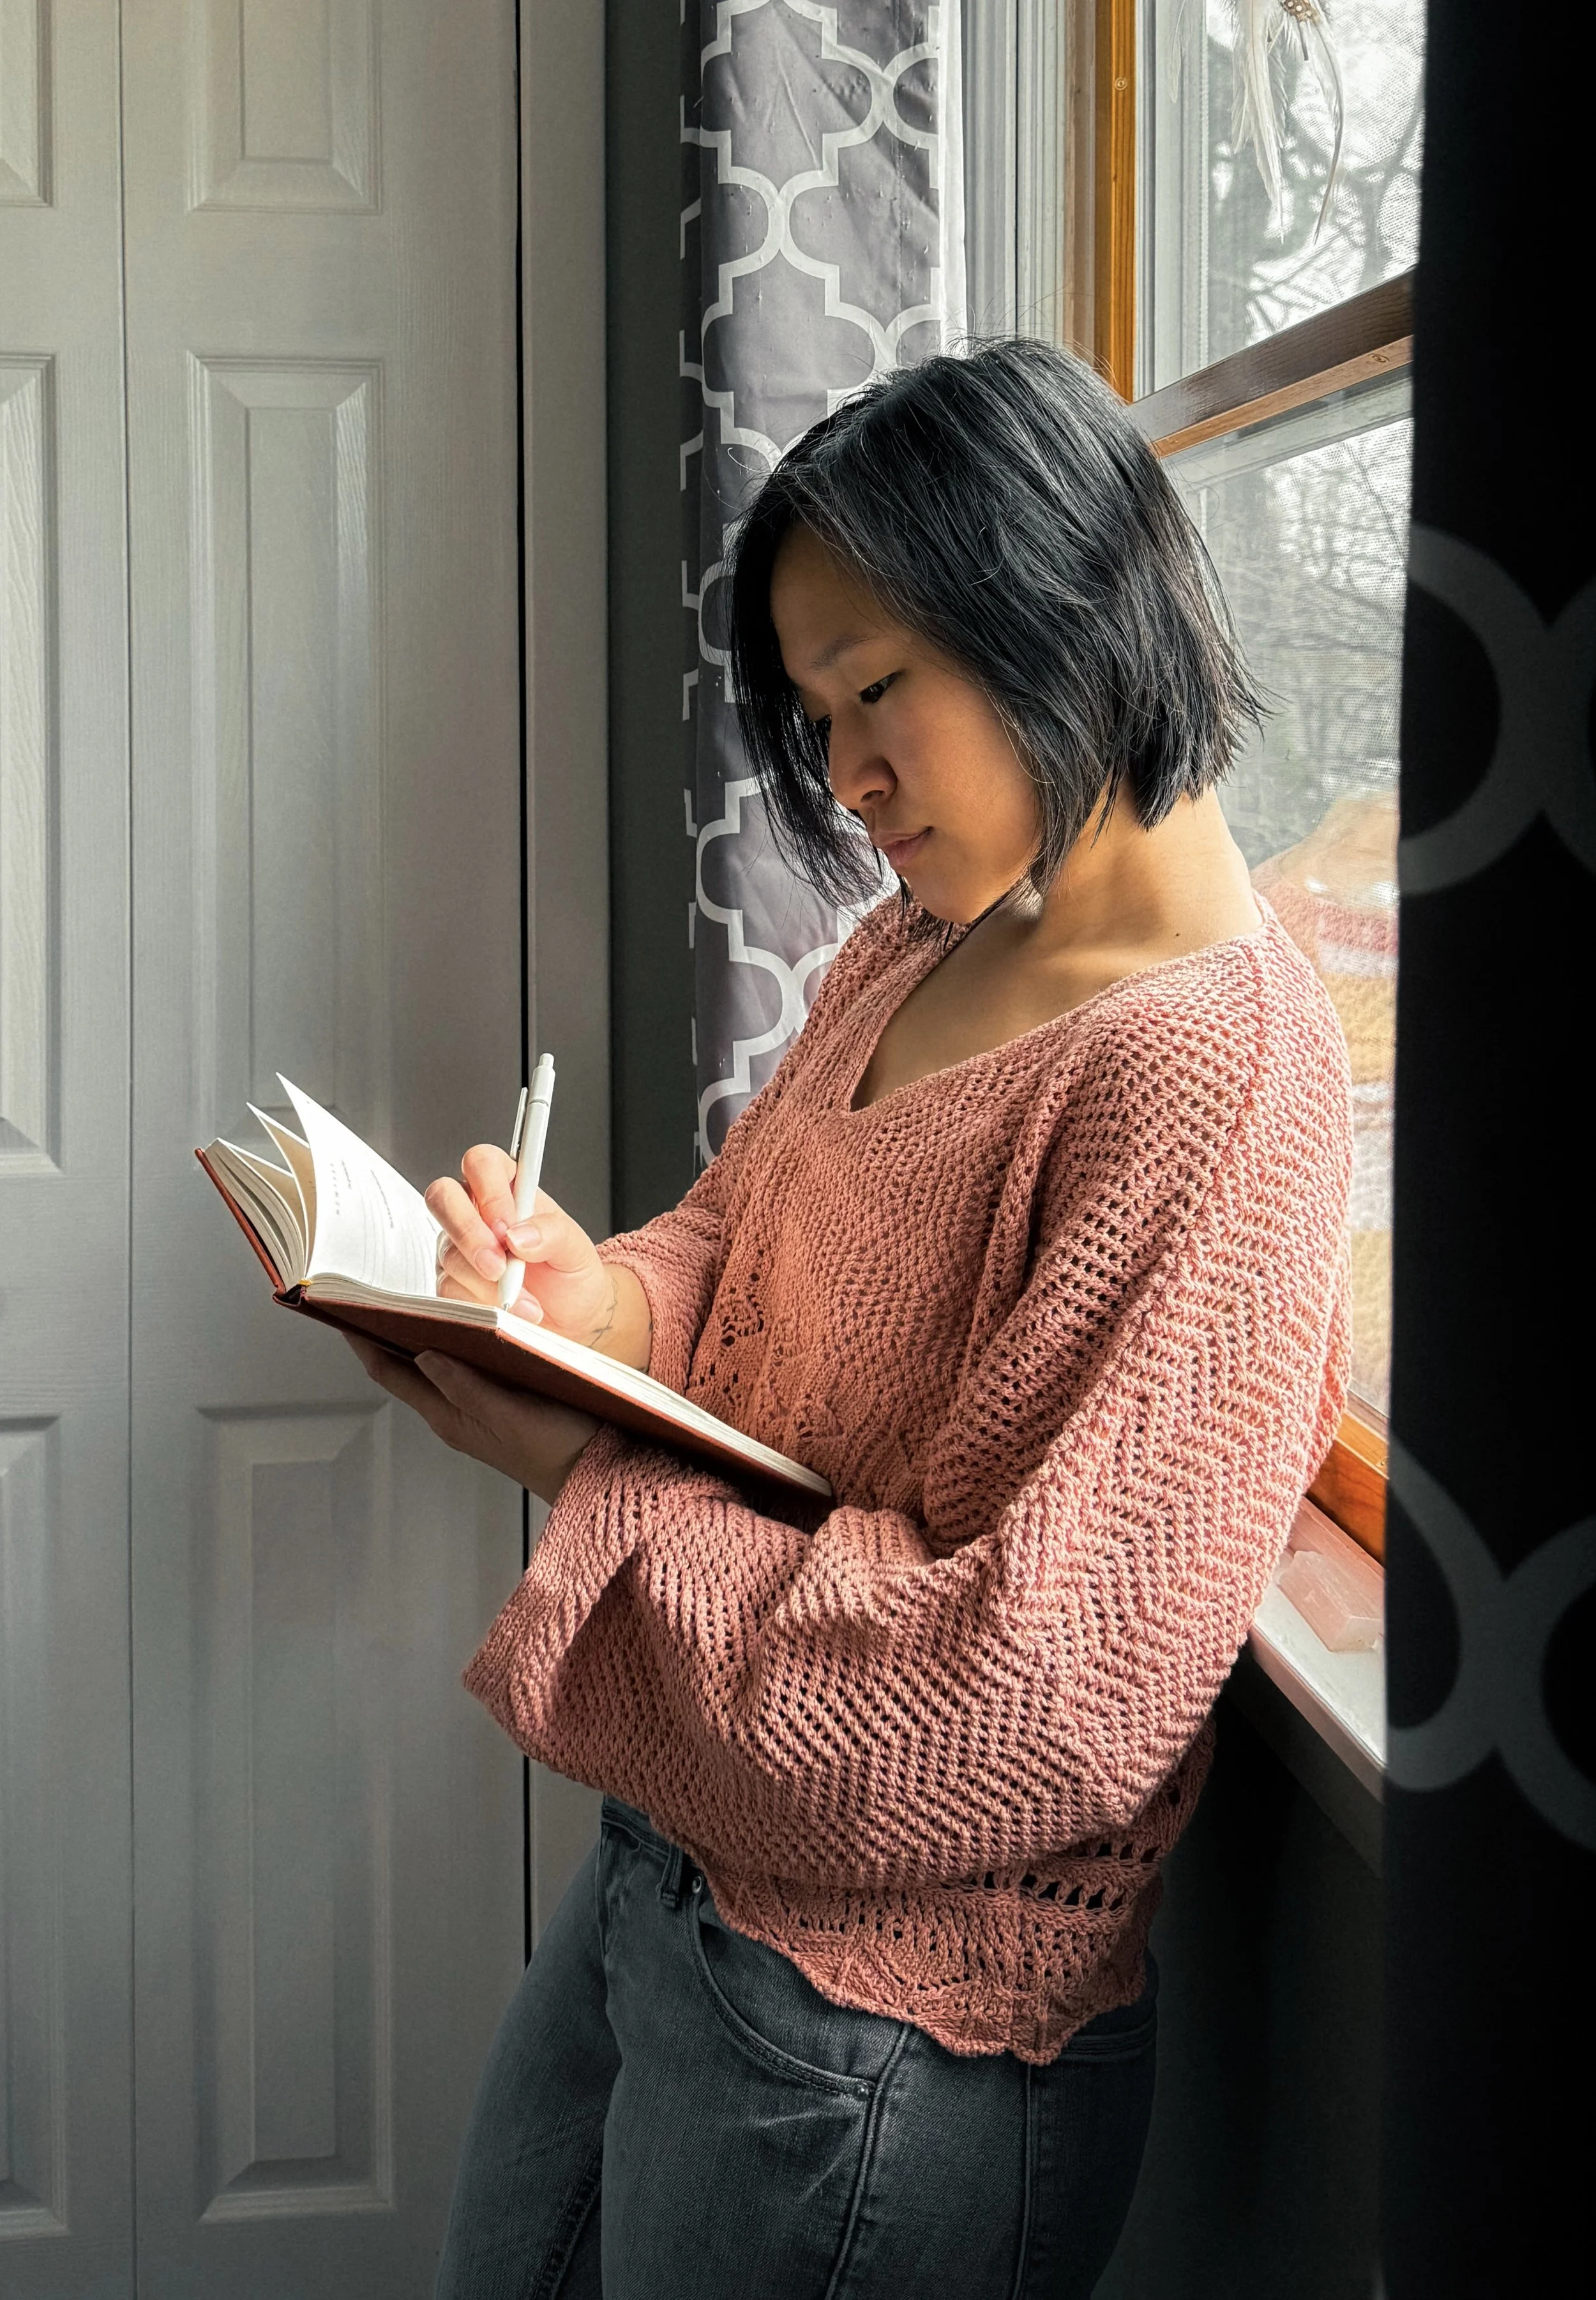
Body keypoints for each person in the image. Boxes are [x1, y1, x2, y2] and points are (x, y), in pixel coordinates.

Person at [347, 339, 1352, 2299]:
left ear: (1064, 595)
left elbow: (1031, 1703)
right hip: (685, 1869)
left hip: (882, 2046)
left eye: (879, 687)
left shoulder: (1217, 1083)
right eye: (816, 719)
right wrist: (599, 1297)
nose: (848, 779)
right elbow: (744, 1244)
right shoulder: (916, 945)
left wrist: (579, 1469)